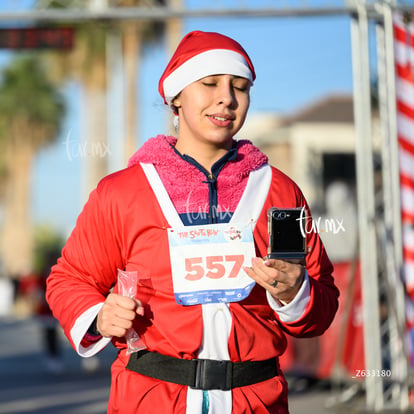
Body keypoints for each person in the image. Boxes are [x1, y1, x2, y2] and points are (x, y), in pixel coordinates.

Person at [46, 30, 339, 414]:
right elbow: (69, 279)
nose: (227, 98)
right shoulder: (122, 192)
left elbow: (323, 303)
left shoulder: (280, 191)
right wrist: (99, 315)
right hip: (152, 397)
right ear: (176, 99)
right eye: (210, 83)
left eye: (240, 87)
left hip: (256, 400)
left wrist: (294, 292)